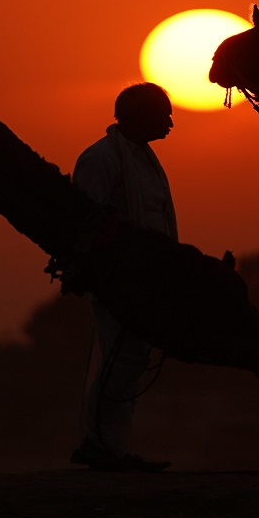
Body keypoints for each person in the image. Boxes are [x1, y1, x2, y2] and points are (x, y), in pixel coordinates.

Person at [70, 82, 178, 472]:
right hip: (118, 279)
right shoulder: (101, 159)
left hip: (147, 278)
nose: (170, 122)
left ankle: (109, 447)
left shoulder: (141, 159)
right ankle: (101, 447)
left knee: (131, 361)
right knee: (121, 359)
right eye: (163, 113)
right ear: (138, 116)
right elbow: (84, 218)